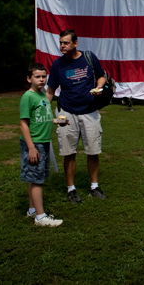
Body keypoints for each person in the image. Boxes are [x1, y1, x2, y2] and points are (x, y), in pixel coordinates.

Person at [45, 29, 108, 203]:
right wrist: (42, 108)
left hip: (90, 112)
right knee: (69, 152)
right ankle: (71, 189)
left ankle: (94, 186)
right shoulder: (57, 65)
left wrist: (99, 87)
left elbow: (101, 77)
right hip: (67, 112)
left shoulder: (88, 57)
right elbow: (50, 90)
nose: (62, 46)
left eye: (65, 43)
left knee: (93, 151)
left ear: (75, 43)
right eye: (60, 43)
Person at [20, 63, 68, 227]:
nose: (41, 80)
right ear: (29, 79)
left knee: (35, 178)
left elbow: (41, 118)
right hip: (35, 143)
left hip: (44, 141)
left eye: (43, 76)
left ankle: (32, 210)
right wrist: (31, 147)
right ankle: (40, 217)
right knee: (37, 179)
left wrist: (57, 121)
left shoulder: (42, 95)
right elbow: (24, 124)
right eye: (37, 77)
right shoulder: (28, 97)